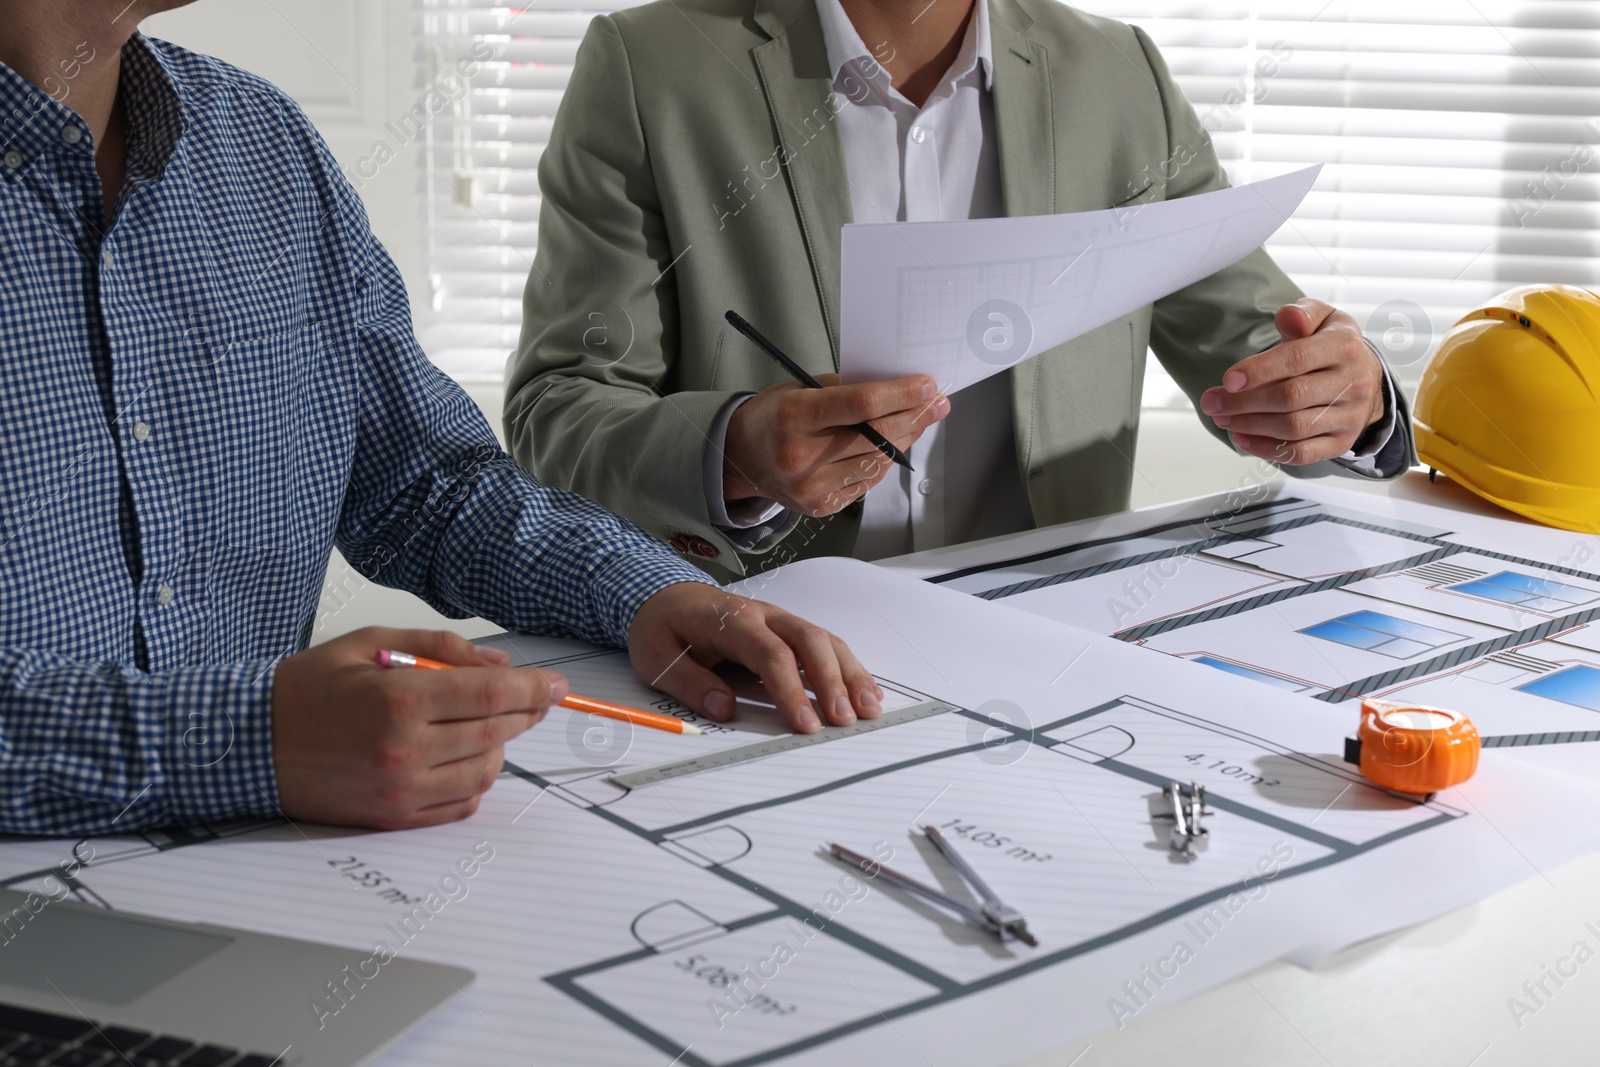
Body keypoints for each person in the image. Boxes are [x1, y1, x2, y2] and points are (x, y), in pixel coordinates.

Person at [0, 1, 884, 837]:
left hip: (269, 876)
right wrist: (239, 743)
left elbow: (424, 487)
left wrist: (642, 589)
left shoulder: (259, 146)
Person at [505, 0, 1415, 582]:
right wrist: (729, 449)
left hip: (1050, 651)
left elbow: (1267, 354)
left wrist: (1351, 400)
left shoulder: (1119, 76)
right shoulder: (647, 68)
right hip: (751, 649)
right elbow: (559, 412)